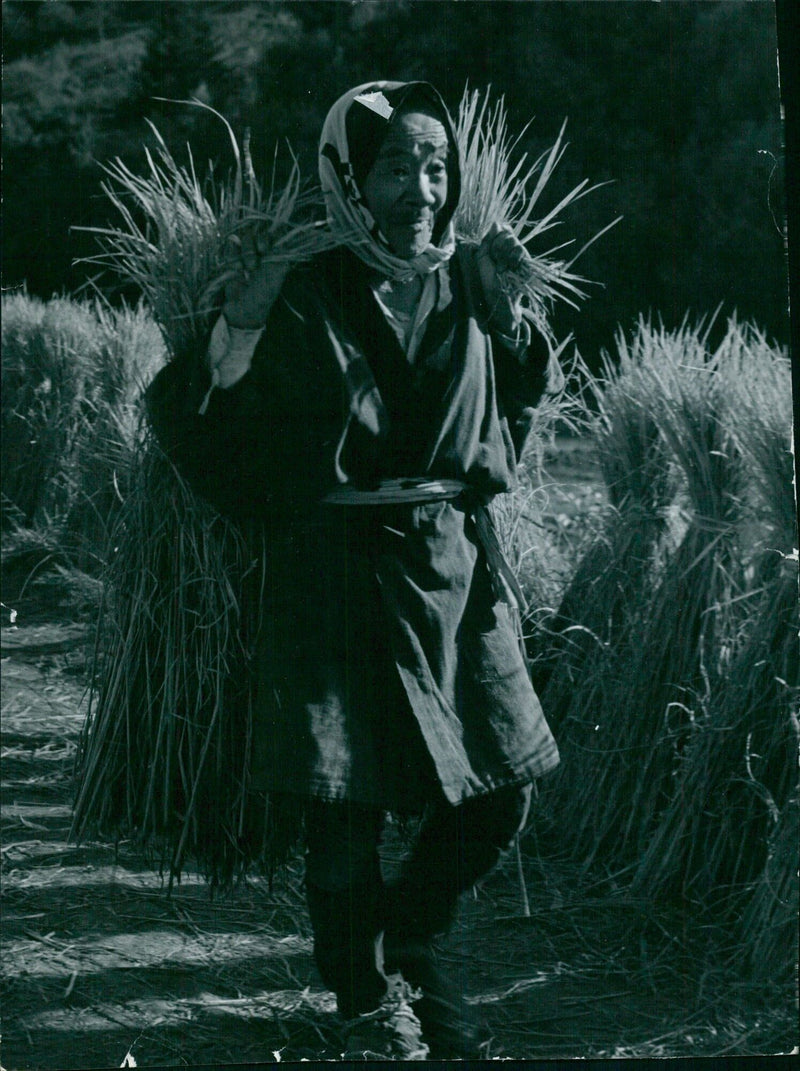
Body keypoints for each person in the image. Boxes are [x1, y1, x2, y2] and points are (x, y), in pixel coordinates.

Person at [146, 80, 560, 1060]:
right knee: (344, 806)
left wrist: (507, 320)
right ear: (345, 177)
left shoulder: (470, 275)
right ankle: (365, 1002)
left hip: (451, 568)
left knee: (504, 783)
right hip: (329, 574)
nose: (421, 186)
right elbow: (197, 414)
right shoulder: (298, 283)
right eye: (392, 165)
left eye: (432, 163)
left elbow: (515, 396)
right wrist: (246, 307)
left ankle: (409, 942)